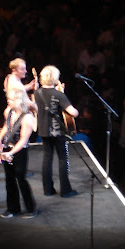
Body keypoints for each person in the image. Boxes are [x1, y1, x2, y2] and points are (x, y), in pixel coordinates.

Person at [34, 65, 79, 197]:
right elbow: (73, 113)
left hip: (43, 129)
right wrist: (62, 94)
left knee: (47, 158)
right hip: (58, 132)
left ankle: (48, 190)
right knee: (62, 159)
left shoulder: (37, 93)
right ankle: (65, 190)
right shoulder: (58, 94)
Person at [0, 89, 37, 218]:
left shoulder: (27, 117)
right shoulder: (9, 112)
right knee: (9, 179)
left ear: (18, 101)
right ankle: (13, 208)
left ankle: (30, 209)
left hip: (20, 150)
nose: (8, 101)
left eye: (11, 99)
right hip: (8, 148)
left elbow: (23, 140)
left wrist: (11, 152)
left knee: (21, 178)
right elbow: (7, 126)